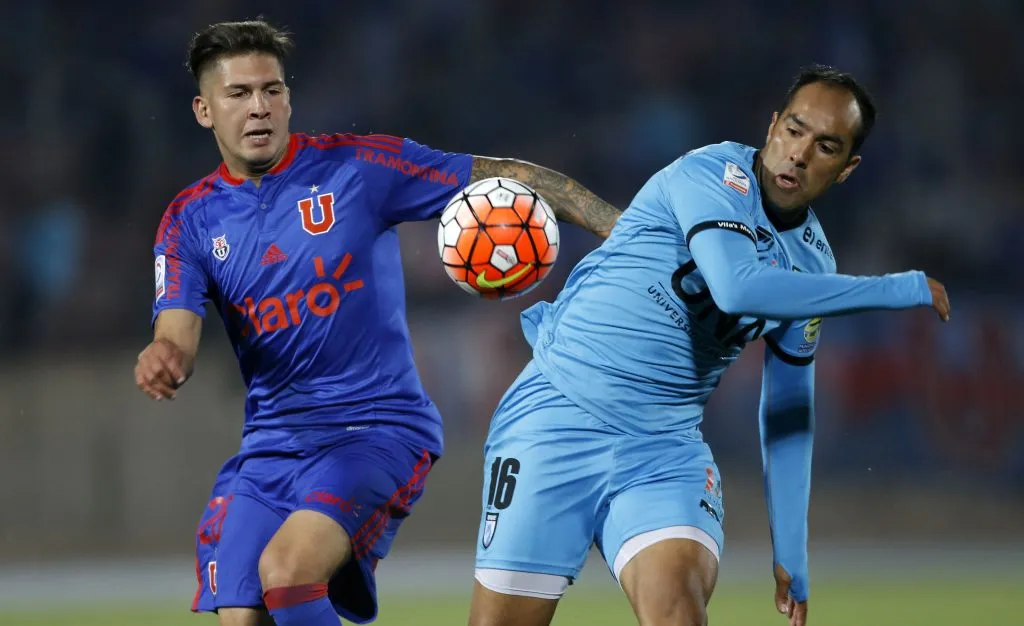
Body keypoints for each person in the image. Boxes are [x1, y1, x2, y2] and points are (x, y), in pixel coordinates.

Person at [133, 19, 620, 626]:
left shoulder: (358, 169)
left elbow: (514, 179)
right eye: (239, 94)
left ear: (288, 97)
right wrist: (166, 357)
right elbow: (175, 330)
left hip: (376, 427)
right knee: (241, 614)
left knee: (287, 572)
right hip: (271, 446)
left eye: (272, 90)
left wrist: (629, 232)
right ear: (205, 110)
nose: (259, 108)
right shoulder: (189, 221)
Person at [468, 65, 951, 626]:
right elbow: (736, 283)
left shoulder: (813, 264)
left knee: (678, 614)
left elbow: (789, 408)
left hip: (664, 451)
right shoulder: (713, 173)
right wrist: (899, 287)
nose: (798, 154)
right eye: (793, 131)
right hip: (559, 414)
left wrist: (791, 552)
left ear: (847, 169)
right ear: (772, 127)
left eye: (825, 146)